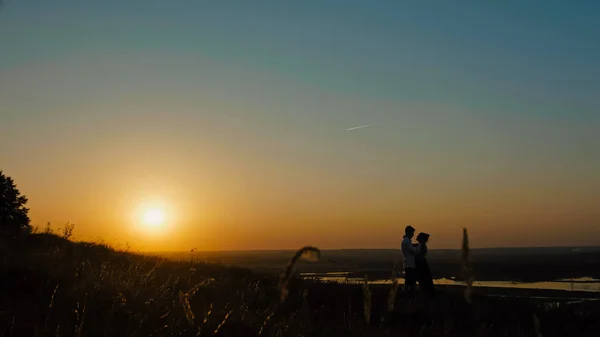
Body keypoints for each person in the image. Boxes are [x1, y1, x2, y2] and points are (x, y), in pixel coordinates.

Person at [415, 232, 435, 297]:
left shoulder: (422, 246)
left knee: (423, 281)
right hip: (421, 264)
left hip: (421, 265)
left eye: (418, 236)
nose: (416, 237)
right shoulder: (420, 245)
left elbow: (419, 255)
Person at [401, 225, 417, 293]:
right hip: (409, 264)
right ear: (408, 232)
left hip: (408, 264)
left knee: (408, 281)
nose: (413, 234)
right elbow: (412, 251)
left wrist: (413, 245)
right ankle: (407, 294)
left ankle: (405, 293)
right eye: (412, 233)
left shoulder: (406, 241)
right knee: (410, 281)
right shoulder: (407, 241)